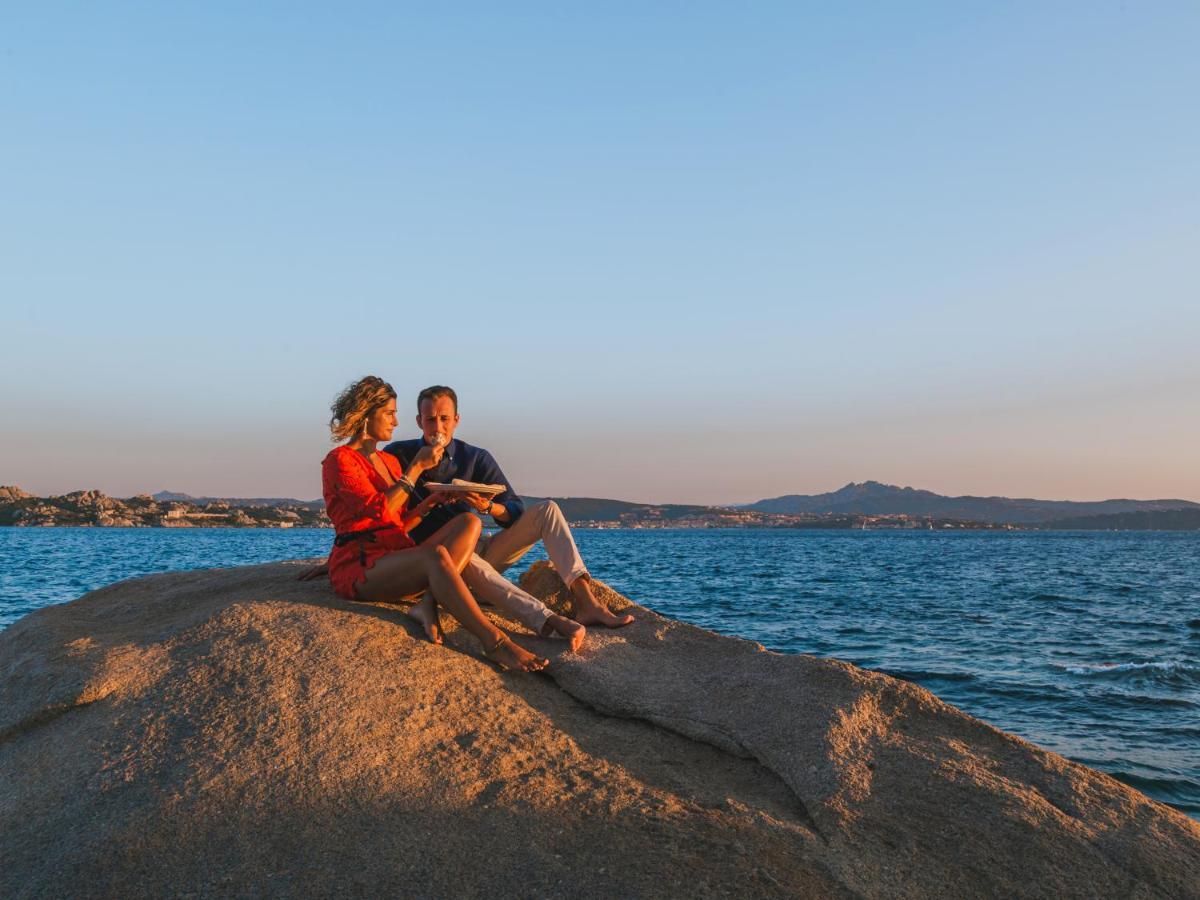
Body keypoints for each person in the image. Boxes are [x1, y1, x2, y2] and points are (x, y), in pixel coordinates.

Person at [319, 375, 548, 673]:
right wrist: (416, 468)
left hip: (396, 554)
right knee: (434, 556)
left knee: (468, 521)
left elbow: (397, 521)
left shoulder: (386, 462)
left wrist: (429, 505)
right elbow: (376, 512)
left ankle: (427, 602)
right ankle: (496, 643)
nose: (396, 422)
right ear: (366, 415)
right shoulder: (341, 461)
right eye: (389, 413)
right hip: (362, 565)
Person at [386, 385, 634, 632]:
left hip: (479, 545)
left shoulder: (474, 457)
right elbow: (382, 509)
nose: (438, 427)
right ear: (419, 421)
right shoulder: (398, 454)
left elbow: (514, 509)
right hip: (436, 554)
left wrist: (487, 506)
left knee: (548, 509)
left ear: (457, 420)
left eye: (445, 419)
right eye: (430, 419)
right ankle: (545, 620)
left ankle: (587, 602)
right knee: (459, 552)